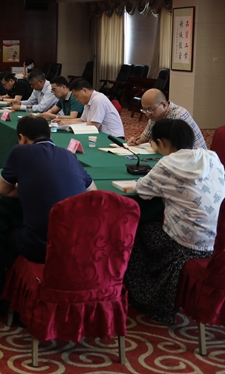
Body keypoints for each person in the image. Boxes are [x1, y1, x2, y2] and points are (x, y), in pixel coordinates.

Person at [125, 119, 225, 324]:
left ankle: (147, 294)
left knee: (139, 229)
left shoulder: (168, 163)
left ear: (161, 142)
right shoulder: (212, 157)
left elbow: (142, 190)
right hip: (217, 244)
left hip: (185, 245)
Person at [0, 116, 95, 263]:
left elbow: (4, 190)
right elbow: (93, 193)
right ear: (50, 136)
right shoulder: (69, 155)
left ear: (22, 138)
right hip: (78, 243)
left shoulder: (20, 151)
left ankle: (12, 276)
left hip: (41, 246)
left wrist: (32, 190)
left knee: (5, 232)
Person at [127, 89, 206, 149]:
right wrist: (137, 140)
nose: (147, 114)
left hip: (195, 161)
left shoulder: (177, 116)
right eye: (144, 110)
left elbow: (164, 147)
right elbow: (145, 137)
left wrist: (154, 143)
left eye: (150, 109)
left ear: (164, 105)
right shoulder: (155, 116)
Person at [60, 79, 125, 137]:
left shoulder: (98, 100)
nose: (76, 99)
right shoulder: (88, 101)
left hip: (113, 137)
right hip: (103, 135)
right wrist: (65, 122)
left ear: (84, 90)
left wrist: (69, 124)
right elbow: (83, 120)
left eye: (76, 96)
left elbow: (94, 126)